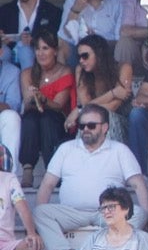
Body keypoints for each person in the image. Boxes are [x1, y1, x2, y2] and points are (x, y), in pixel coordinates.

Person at [34, 104, 148, 250]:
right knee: (39, 212)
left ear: (105, 127)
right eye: (82, 126)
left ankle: (106, 247)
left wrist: (147, 219)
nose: (85, 129)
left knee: (139, 213)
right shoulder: (65, 149)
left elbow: (138, 184)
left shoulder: (120, 150)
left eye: (91, 125)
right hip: (71, 212)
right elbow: (47, 185)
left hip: (108, 212)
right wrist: (37, 229)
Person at [18, 29, 73, 187]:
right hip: (34, 116)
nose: (40, 53)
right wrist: (33, 98)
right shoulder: (27, 74)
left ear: (55, 51)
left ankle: (52, 171)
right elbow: (27, 105)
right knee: (30, 119)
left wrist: (43, 99)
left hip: (57, 117)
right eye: (37, 49)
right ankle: (27, 170)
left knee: (47, 118)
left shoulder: (65, 71)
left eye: (45, 48)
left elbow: (58, 105)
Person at [66, 34, 133, 145]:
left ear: (99, 54)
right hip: (93, 122)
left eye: (85, 56)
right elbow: (86, 106)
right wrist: (113, 93)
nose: (81, 61)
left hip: (121, 123)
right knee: (90, 118)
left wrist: (80, 110)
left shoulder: (123, 68)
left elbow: (113, 106)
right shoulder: (80, 70)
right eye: (79, 57)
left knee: (106, 116)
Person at [0, 0, 62, 70]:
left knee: (26, 51)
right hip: (9, 60)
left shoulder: (52, 12)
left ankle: (29, 84)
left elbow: (56, 43)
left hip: (38, 62)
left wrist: (34, 41)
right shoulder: (5, 11)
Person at [0, 145, 42, 250]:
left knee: (33, 247)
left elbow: (21, 205)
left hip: (6, 245)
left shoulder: (9, 179)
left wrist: (31, 233)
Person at [0, 58, 22, 168]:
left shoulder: (12, 72)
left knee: (11, 117)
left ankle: (9, 176)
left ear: (1, 52)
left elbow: (13, 105)